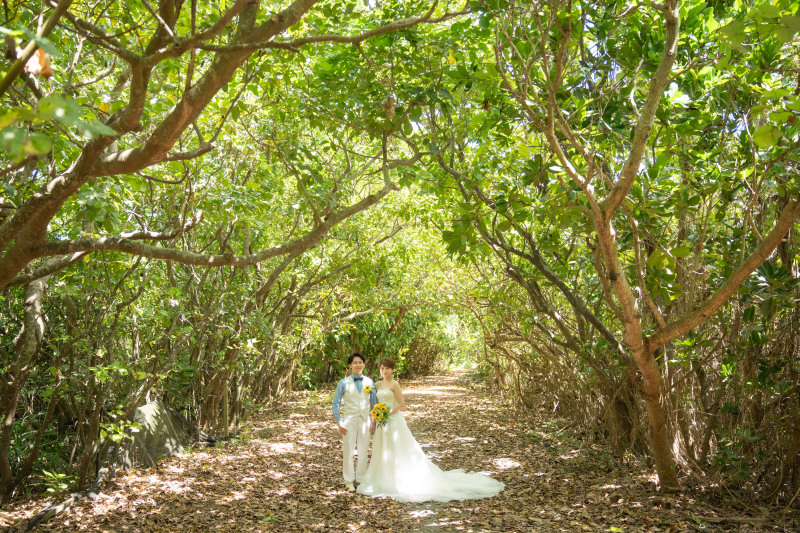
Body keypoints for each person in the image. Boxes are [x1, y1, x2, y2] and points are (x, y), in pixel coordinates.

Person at [356, 358, 505, 502]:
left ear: (392, 370)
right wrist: (374, 419)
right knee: (383, 450)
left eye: (387, 368)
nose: (384, 371)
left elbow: (401, 404)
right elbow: (374, 404)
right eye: (382, 368)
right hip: (382, 422)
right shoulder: (377, 385)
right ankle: (383, 480)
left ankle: (401, 480)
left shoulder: (395, 384)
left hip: (394, 421)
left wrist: (388, 412)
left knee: (399, 449)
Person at [332, 352, 378, 491]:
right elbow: (336, 403)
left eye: (360, 362)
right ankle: (348, 480)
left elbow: (374, 403)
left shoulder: (369, 382)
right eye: (355, 362)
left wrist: (374, 421)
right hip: (349, 421)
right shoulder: (343, 382)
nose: (358, 365)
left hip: (364, 420)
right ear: (350, 365)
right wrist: (339, 422)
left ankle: (361, 478)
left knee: (364, 450)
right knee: (348, 451)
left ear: (364, 364)